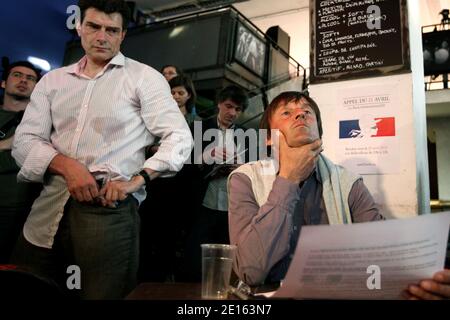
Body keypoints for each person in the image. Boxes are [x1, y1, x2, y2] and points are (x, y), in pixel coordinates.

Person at [11, 0, 193, 300]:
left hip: (109, 211)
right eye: (94, 26)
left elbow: (180, 137)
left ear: (122, 36)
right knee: (28, 289)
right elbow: (25, 140)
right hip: (46, 208)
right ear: (79, 27)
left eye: (112, 30)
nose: (102, 36)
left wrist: (138, 180)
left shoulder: (144, 78)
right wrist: (68, 167)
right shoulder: (52, 81)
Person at [228, 91, 450, 300]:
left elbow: (382, 256)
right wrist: (289, 178)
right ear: (268, 138)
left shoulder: (349, 183)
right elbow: (249, 271)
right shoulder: (245, 179)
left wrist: (421, 282)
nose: (300, 114)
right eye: (287, 112)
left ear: (320, 133)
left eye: (307, 112)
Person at [181, 85, 249, 281]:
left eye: (237, 109)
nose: (232, 113)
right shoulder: (198, 129)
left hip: (232, 207)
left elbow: (254, 170)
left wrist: (240, 168)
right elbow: (183, 168)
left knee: (226, 260)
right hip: (203, 203)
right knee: (194, 259)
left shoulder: (247, 134)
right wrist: (205, 158)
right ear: (219, 103)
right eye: (228, 106)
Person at [0, 61, 42, 263]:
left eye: (31, 78)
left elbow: (36, 163)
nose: (24, 80)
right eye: (17, 75)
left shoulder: (43, 123)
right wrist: (7, 144)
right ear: (3, 83)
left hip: (19, 210)